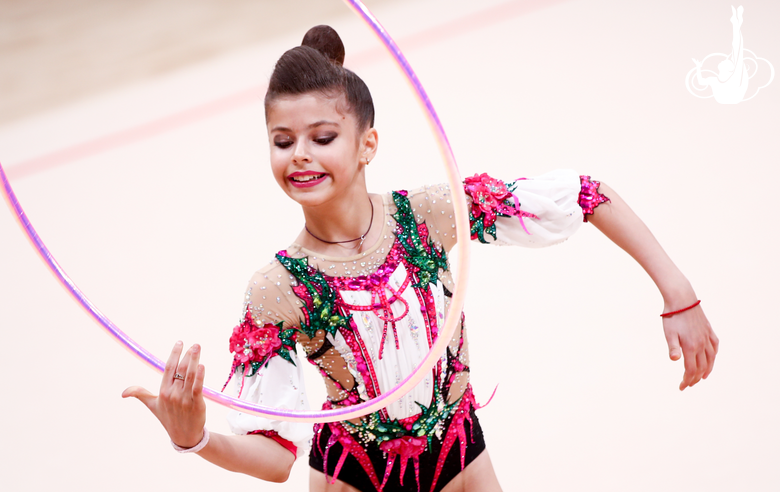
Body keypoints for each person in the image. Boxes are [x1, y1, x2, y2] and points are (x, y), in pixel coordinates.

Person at [123, 25, 718, 492]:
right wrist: (195, 437)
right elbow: (275, 457)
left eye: (323, 137)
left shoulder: (430, 216)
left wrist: (678, 293)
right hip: (354, 479)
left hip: (463, 463)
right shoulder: (279, 288)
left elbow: (588, 195)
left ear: (367, 145)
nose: (300, 155)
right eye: (283, 141)